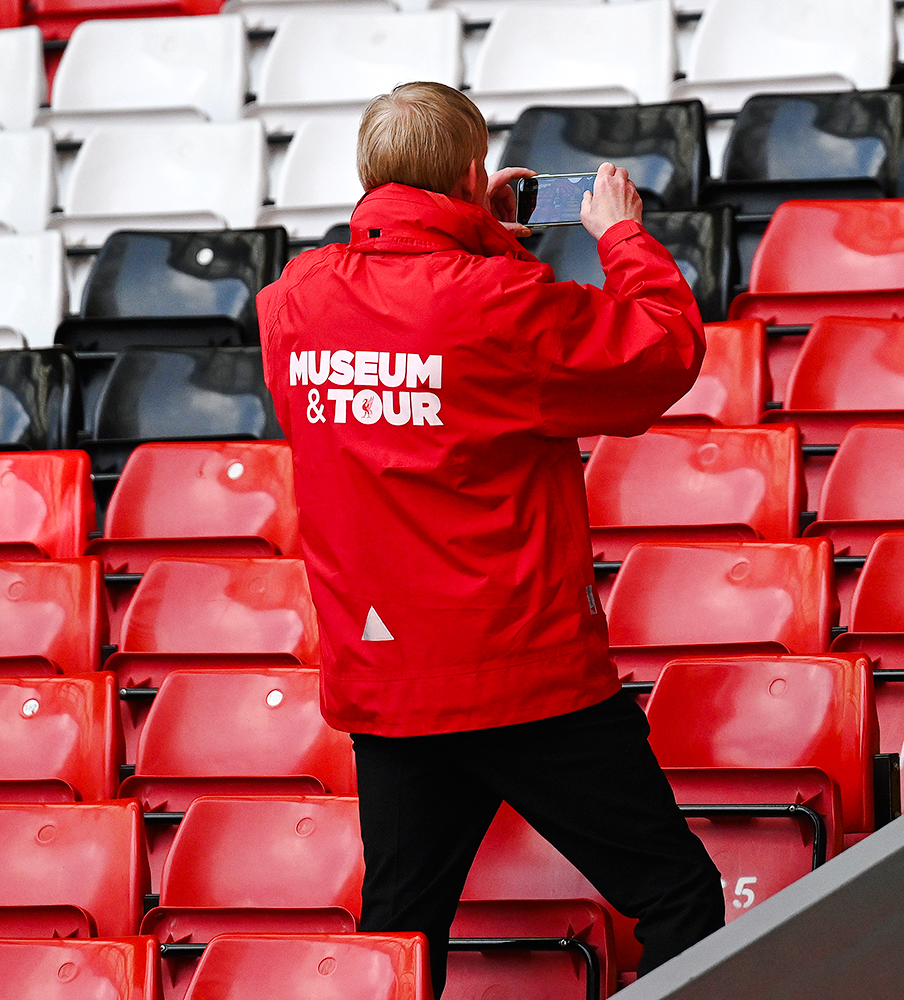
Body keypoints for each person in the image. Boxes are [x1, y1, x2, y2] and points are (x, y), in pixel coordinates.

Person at [257, 81, 724, 995]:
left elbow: (422, 345)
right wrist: (620, 236)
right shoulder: (502, 302)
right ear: (475, 174)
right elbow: (660, 354)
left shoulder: (295, 299)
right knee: (678, 900)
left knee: (400, 939)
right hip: (521, 671)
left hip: (389, 677)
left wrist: (479, 233)